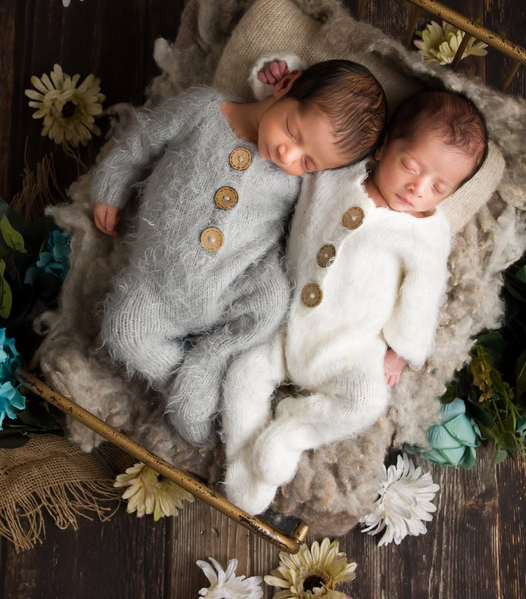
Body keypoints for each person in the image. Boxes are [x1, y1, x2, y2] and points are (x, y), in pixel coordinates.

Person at [221, 70, 489, 514]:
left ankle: (289, 432)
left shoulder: (426, 233)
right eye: (411, 165)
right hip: (283, 323)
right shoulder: (339, 169)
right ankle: (242, 465)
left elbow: (423, 291)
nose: (417, 188)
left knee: (366, 401)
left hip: (350, 346)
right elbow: (304, 118)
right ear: (384, 146)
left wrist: (401, 349)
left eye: (438, 187)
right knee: (243, 377)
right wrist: (278, 75)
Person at [91, 60, 388, 444]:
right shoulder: (205, 109)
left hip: (236, 282)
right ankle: (188, 387)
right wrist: (112, 182)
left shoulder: (300, 184)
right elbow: (142, 140)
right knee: (122, 330)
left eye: (308, 162)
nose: (287, 154)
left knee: (271, 301)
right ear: (287, 85)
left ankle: (208, 360)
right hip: (157, 280)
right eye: (293, 131)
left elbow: (318, 225)